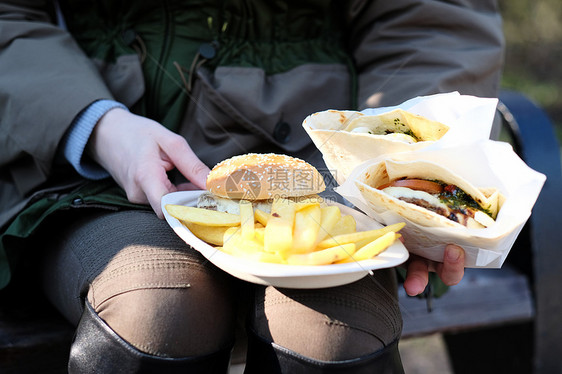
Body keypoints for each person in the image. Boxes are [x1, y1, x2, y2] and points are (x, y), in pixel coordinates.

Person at [0, 1, 504, 373]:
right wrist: (98, 126)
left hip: (326, 179)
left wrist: (409, 178)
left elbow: (430, 21)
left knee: (333, 333)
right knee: (157, 305)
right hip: (98, 171)